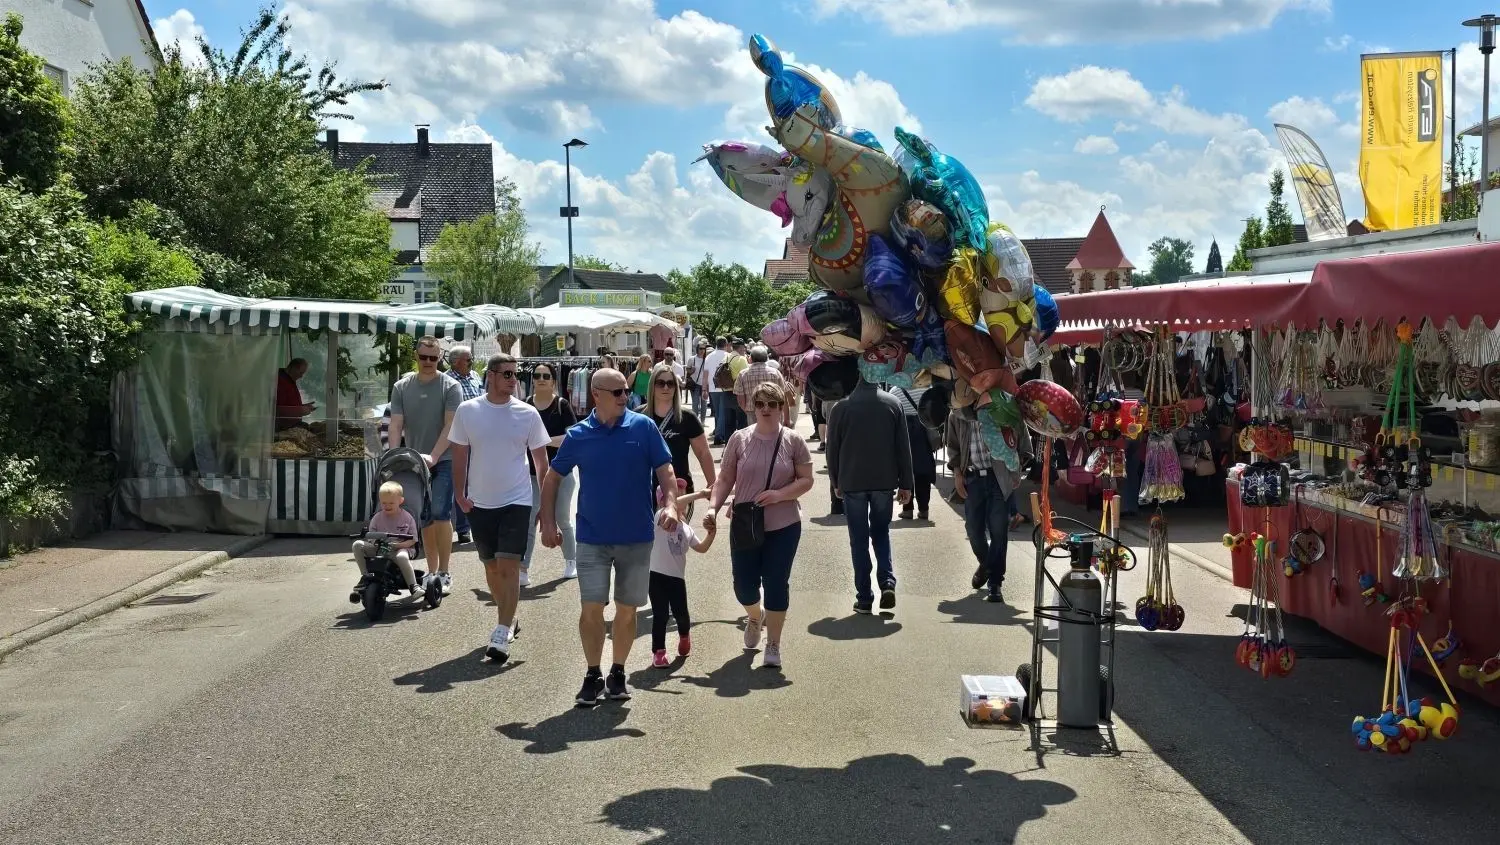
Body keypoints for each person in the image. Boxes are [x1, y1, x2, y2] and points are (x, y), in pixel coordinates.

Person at [540, 368, 682, 706]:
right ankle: (593, 673)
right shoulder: (578, 435)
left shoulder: (642, 427)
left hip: (636, 535)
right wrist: (548, 522)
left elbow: (666, 470)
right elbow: (552, 477)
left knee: (627, 610)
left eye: (625, 391)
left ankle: (617, 671)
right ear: (596, 395)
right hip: (592, 537)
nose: (625, 397)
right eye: (617, 392)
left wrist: (672, 505)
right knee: (591, 609)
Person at [449, 354, 551, 664]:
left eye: (514, 374)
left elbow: (541, 462)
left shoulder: (528, 414)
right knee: (492, 569)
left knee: (509, 567)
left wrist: (544, 505)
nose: (512, 379)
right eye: (506, 373)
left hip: (517, 501)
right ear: (490, 375)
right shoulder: (468, 411)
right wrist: (459, 493)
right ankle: (509, 616)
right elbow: (459, 455)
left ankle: (502, 630)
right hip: (480, 502)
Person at [706, 381, 814, 668]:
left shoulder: (793, 441)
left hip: (784, 524)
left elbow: (806, 480)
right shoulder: (739, 439)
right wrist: (713, 508)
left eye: (772, 404)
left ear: (782, 407)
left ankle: (774, 643)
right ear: (752, 407)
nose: (766, 409)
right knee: (744, 585)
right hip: (745, 523)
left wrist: (779, 494)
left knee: (777, 583)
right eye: (760, 403)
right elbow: (725, 478)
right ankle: (755, 616)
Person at [826, 378, 912, 614]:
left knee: (859, 539)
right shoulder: (893, 404)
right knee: (881, 533)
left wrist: (835, 481)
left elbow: (832, 448)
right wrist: (906, 483)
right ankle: (887, 582)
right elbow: (903, 447)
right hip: (884, 480)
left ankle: (864, 596)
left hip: (852, 481)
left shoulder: (841, 408)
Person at [387, 337, 462, 595]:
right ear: (416, 357)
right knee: (425, 516)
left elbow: (450, 425)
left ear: (440, 358)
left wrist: (434, 455)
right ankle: (431, 571)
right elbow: (396, 424)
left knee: (441, 511)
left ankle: (445, 571)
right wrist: (395, 456)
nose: (429, 362)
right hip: (414, 460)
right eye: (424, 357)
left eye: (434, 357)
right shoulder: (401, 386)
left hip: (444, 458)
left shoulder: (450, 386)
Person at [944, 385, 1032, 602]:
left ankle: (995, 583)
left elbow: (1022, 437)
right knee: (973, 529)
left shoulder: (1004, 406)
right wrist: (957, 473)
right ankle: (986, 565)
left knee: (998, 529)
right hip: (973, 477)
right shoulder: (958, 412)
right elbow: (953, 445)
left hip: (998, 478)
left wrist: (1017, 467)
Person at [521, 362, 579, 585]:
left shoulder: (562, 405)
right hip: (533, 475)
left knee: (562, 517)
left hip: (561, 473)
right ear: (532, 380)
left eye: (546, 375)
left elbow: (571, 437)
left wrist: (541, 441)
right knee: (529, 520)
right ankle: (523, 568)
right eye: (537, 375)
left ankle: (571, 561)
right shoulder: (525, 405)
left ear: (554, 381)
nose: (541, 379)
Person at [648, 480, 715, 667]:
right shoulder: (661, 516)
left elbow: (701, 548)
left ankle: (684, 636)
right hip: (656, 575)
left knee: (681, 614)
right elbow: (674, 504)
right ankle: (659, 652)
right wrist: (701, 494)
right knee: (660, 615)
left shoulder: (686, 528)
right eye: (677, 496)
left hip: (677, 578)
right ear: (664, 502)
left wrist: (711, 534)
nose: (682, 501)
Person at [644, 362, 716, 494]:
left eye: (670, 383)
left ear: (676, 387)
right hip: (644, 490)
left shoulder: (688, 418)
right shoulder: (639, 417)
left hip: (679, 488)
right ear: (652, 386)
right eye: (660, 383)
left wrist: (712, 484)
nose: (666, 387)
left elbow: (703, 453)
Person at [349, 481, 421, 602]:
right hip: (380, 547)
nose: (387, 506)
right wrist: (374, 542)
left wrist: (397, 545)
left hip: (402, 547)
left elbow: (413, 540)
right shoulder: (377, 517)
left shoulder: (407, 517)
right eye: (384, 503)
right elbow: (370, 536)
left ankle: (414, 586)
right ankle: (365, 575)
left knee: (402, 557)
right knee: (357, 545)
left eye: (391, 503)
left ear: (400, 501)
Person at [447, 345, 485, 545]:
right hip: (459, 438)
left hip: (479, 436)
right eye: (468, 359)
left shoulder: (476, 377)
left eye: (471, 359)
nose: (471, 362)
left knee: (476, 480)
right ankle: (463, 529)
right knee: (460, 483)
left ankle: (476, 522)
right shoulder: (446, 381)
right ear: (455, 362)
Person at [887, 384, 937, 520]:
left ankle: (907, 509)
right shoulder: (926, 389)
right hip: (922, 432)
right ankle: (924, 509)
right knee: (923, 472)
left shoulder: (895, 391)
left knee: (905, 471)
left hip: (903, 432)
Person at [734, 345, 789, 427]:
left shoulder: (743, 374)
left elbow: (741, 400)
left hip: (753, 412)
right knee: (775, 437)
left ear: (751, 358)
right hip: (774, 411)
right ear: (767, 358)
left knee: (756, 437)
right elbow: (783, 396)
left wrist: (749, 411)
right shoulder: (775, 373)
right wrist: (787, 418)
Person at [704, 337, 732, 444]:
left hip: (712, 388)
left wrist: (704, 389)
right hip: (725, 387)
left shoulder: (709, 357)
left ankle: (719, 432)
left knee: (718, 413)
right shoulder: (728, 356)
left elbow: (705, 375)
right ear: (725, 344)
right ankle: (719, 435)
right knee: (723, 413)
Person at [275, 358, 315, 430]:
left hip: (293, 425)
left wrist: (303, 406)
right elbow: (277, 410)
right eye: (300, 373)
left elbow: (288, 404)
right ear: (293, 368)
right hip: (284, 428)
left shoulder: (290, 379)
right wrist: (300, 410)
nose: (301, 376)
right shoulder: (280, 381)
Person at [684, 340, 710, 419]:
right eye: (700, 348)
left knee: (704, 403)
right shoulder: (692, 359)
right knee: (695, 404)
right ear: (697, 349)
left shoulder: (707, 359)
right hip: (694, 384)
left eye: (704, 349)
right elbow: (687, 370)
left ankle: (702, 421)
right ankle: (695, 420)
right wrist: (692, 370)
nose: (702, 350)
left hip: (705, 384)